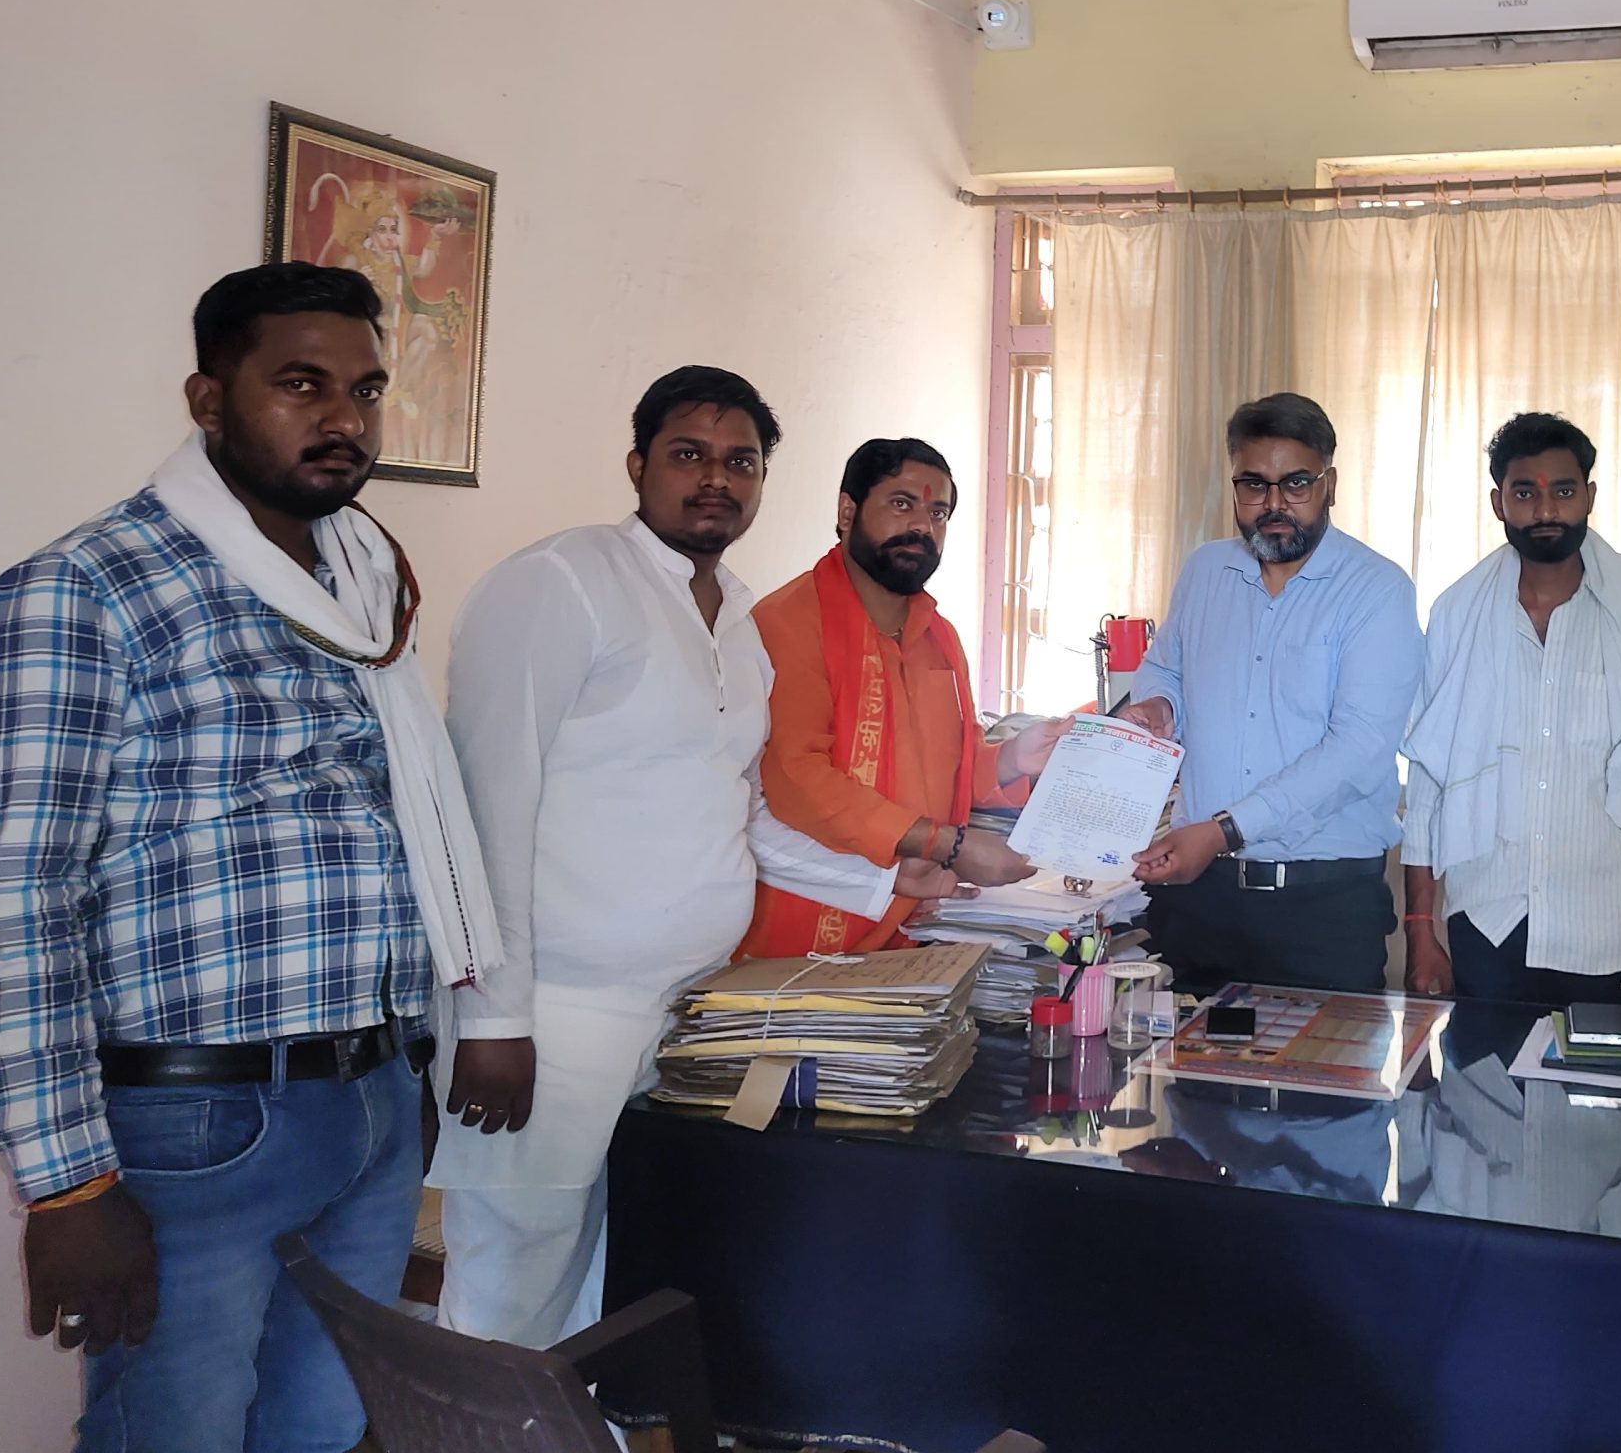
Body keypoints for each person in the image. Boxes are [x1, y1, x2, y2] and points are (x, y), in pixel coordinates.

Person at [0, 263, 499, 1453]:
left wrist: (410, 1060)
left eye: (366, 389)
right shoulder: (84, 590)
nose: (344, 418)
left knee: (315, 1445)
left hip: (369, 1097)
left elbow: (389, 833)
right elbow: (12, 902)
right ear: (209, 399)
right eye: (300, 385)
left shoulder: (363, 583)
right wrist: (66, 1187)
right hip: (199, 1125)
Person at [429, 371, 955, 1345]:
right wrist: (490, 1019)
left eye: (740, 461)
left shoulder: (737, 621)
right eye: (689, 454)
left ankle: (586, 1434)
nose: (716, 478)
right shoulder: (561, 583)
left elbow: (738, 812)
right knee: (511, 1284)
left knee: (620, 1274)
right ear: (637, 466)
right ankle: (476, 1431)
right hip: (555, 1014)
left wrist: (880, 878)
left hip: (684, 1014)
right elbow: (478, 808)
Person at [1400, 412, 1621, 1007]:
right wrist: (1420, 928)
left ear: (1589, 496)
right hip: (1489, 927)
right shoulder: (1457, 615)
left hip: (1612, 934)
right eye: (1525, 493)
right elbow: (1428, 784)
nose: (1546, 510)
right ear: (1498, 503)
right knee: (1480, 1071)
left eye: (1563, 492)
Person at [1124, 394, 1425, 992]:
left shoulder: (1377, 590)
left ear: (1329, 484)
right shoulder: (1205, 571)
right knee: (1183, 1056)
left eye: (1296, 484)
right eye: (1254, 485)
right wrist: (1159, 704)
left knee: (1325, 1060)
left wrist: (1223, 830)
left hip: (1322, 909)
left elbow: (1357, 748)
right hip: (1198, 902)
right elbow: (1165, 668)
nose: (1274, 504)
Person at [739, 437, 1061, 956]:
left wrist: (1013, 759)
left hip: (913, 926)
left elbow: (946, 768)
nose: (922, 527)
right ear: (847, 511)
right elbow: (797, 780)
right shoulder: (786, 624)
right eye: (901, 503)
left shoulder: (939, 636)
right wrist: (946, 845)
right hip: (804, 932)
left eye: (938, 513)